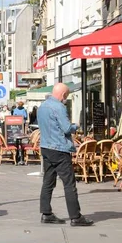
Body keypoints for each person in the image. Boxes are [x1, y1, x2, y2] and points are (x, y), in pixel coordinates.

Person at [38, 83, 93, 226]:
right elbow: (67, 128)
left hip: (46, 147)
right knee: (69, 183)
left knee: (48, 181)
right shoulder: (59, 107)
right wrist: (76, 126)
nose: (66, 99)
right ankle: (75, 216)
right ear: (63, 95)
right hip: (59, 149)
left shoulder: (42, 107)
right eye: (66, 96)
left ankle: (46, 213)